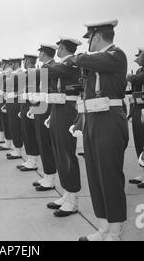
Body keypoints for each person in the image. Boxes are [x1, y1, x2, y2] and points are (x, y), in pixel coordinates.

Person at [69, 20, 129, 241]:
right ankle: (103, 228)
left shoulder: (116, 55)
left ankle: (115, 232)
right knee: (95, 175)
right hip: (93, 121)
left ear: (97, 36)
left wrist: (75, 59)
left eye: (89, 38)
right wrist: (79, 122)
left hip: (110, 121)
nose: (88, 43)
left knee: (110, 177)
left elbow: (82, 58)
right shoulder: (95, 62)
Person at [45, 37, 82, 218]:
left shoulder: (71, 65)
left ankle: (73, 198)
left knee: (66, 152)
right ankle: (67, 192)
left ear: (63, 48)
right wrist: (52, 115)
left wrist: (39, 69)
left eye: (59, 47)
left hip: (67, 110)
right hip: (58, 109)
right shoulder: (63, 65)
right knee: (59, 151)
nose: (57, 50)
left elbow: (51, 71)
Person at [29, 44, 58, 191]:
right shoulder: (46, 67)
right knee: (42, 141)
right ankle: (47, 175)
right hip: (41, 106)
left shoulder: (52, 67)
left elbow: (53, 90)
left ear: (44, 53)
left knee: (47, 143)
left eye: (40, 52)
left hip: (47, 107)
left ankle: (51, 177)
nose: (38, 54)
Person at [17, 54, 40, 172]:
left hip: (32, 106)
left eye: (24, 61)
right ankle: (30, 159)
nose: (23, 63)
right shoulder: (27, 73)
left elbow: (35, 92)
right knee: (26, 134)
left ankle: (33, 161)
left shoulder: (33, 73)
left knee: (31, 135)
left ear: (28, 61)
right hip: (25, 105)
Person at [127, 48, 144, 189]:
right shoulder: (139, 71)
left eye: (140, 55)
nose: (137, 57)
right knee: (139, 141)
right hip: (137, 109)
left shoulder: (139, 74)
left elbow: (136, 79)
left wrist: (129, 77)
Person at [6, 58, 25, 160]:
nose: (10, 65)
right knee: (12, 126)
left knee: (16, 126)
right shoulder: (14, 74)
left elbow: (6, 84)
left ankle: (18, 150)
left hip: (16, 101)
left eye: (11, 63)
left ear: (16, 63)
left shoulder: (19, 74)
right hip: (11, 101)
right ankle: (16, 148)